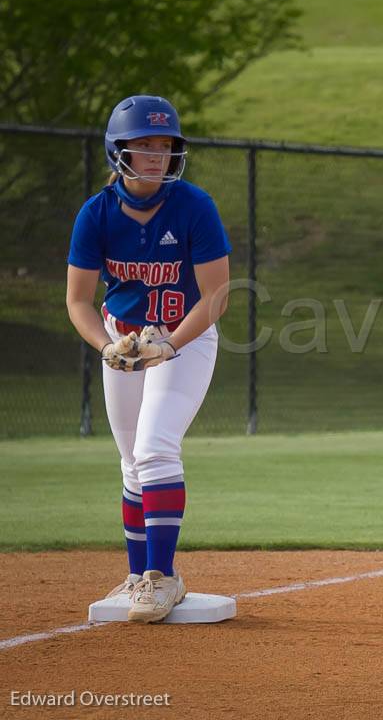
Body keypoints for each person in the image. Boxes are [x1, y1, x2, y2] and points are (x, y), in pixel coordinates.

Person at [66, 95, 231, 623]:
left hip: (184, 337)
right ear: (119, 151)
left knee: (156, 446)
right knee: (131, 460)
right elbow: (77, 301)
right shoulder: (96, 214)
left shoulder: (194, 206)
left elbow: (217, 296)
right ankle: (139, 576)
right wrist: (107, 346)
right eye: (145, 145)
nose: (157, 155)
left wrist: (171, 345)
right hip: (123, 340)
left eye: (165, 145)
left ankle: (163, 578)